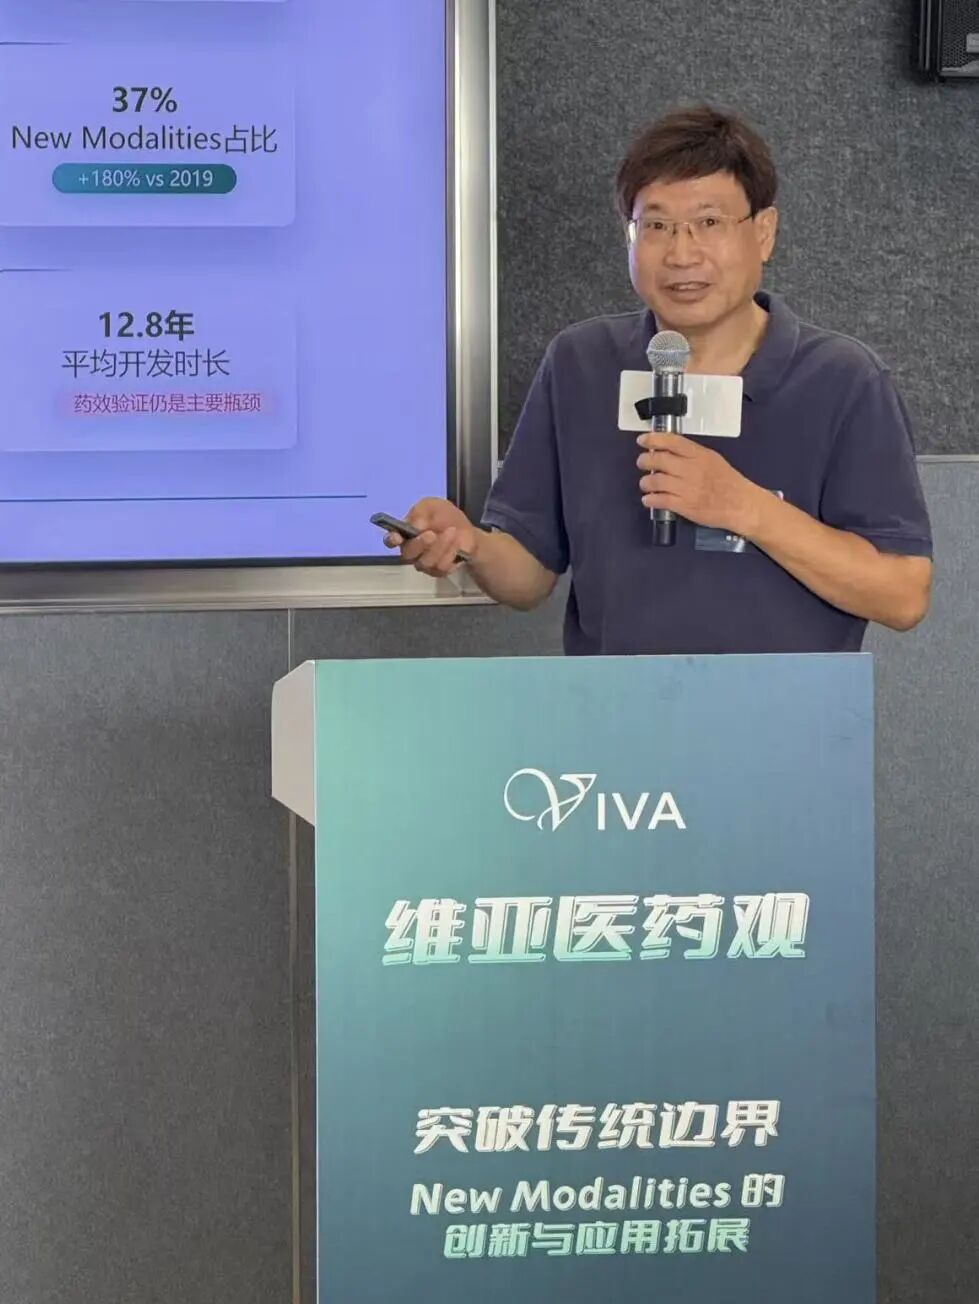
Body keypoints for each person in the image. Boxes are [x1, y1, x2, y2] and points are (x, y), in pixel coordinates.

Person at [387, 105, 933, 654]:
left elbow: (903, 595)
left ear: (764, 233)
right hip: (616, 704)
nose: (681, 253)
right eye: (656, 226)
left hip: (784, 707)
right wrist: (472, 545)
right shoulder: (581, 364)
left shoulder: (843, 380)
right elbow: (530, 576)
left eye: (709, 223)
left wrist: (742, 506)